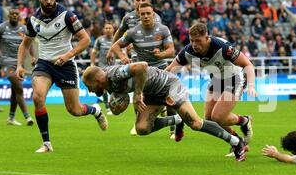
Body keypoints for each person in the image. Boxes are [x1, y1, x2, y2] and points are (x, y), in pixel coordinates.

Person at [82, 62, 248, 161]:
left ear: (97, 80)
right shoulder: (106, 85)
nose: (90, 91)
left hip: (169, 86)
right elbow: (121, 101)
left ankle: (236, 142)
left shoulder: (114, 75)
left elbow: (142, 66)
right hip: (152, 94)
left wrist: (138, 94)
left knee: (196, 123)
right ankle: (176, 120)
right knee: (142, 129)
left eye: (89, 87)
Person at [16, 0, 108, 153]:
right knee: (37, 98)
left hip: (66, 65)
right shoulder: (33, 20)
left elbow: (85, 40)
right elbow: (24, 45)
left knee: (75, 110)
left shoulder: (67, 15)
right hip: (44, 64)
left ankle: (95, 111)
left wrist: (67, 55)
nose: (49, 1)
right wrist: (20, 65)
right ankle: (46, 144)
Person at [165, 22, 257, 157]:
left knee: (218, 117)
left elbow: (248, 64)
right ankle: (238, 141)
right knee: (208, 119)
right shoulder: (188, 51)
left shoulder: (223, 48)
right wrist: (154, 81)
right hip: (216, 78)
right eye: (192, 41)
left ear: (207, 38)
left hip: (235, 77)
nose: (194, 44)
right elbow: (169, 71)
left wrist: (251, 85)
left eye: (198, 41)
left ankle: (244, 121)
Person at [109, 2, 177, 138]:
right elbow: (116, 46)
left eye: (148, 13)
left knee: (170, 99)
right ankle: (137, 123)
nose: (145, 16)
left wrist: (161, 54)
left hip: (160, 69)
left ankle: (174, 130)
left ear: (153, 14)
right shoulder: (133, 32)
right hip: (142, 72)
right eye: (142, 14)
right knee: (138, 96)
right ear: (139, 16)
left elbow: (171, 50)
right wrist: (123, 57)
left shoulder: (163, 29)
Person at [0, 7, 35, 126]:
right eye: (12, 14)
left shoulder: (23, 28)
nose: (14, 15)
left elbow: (29, 43)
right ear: (9, 16)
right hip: (6, 63)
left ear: (19, 16)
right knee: (19, 88)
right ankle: (28, 117)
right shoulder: (2, 27)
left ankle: (11, 117)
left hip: (20, 64)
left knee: (15, 91)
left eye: (16, 14)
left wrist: (33, 56)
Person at [91, 22, 115, 115]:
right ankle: (107, 107)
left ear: (113, 29)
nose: (108, 30)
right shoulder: (100, 40)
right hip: (102, 68)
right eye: (106, 28)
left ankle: (113, 105)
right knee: (104, 87)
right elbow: (94, 52)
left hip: (114, 68)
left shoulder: (116, 40)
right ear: (103, 30)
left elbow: (122, 51)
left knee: (114, 87)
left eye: (110, 28)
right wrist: (92, 64)